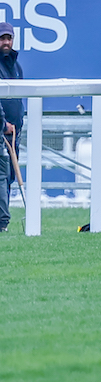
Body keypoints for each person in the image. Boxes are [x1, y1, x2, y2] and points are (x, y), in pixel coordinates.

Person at [0, 22, 23, 233]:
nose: (6, 42)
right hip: (3, 131)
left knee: (7, 178)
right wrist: (3, 124)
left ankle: (3, 224)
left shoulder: (15, 66)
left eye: (9, 38)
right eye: (2, 38)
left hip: (13, 133)